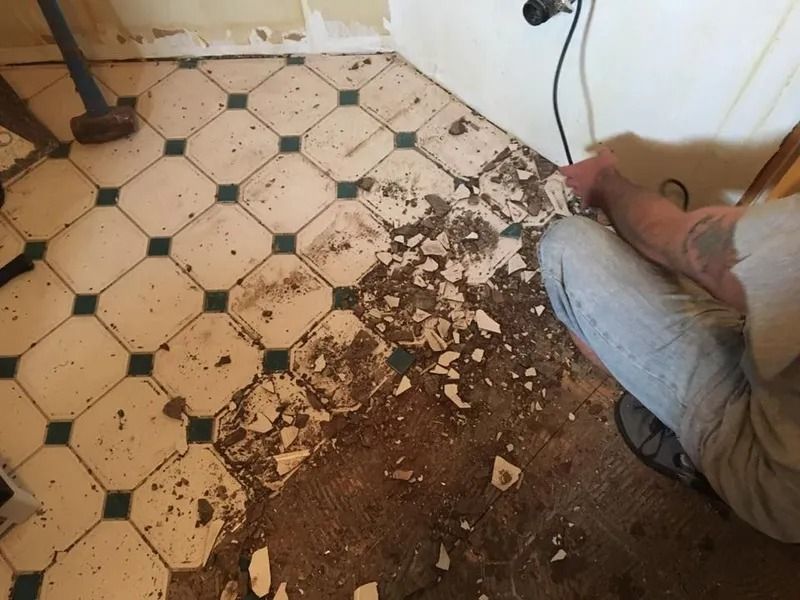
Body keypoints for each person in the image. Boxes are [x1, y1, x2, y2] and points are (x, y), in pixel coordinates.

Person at [538, 148, 800, 543]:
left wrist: (604, 183)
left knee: (567, 245)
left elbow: (673, 239)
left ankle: (707, 458)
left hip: (776, 478)